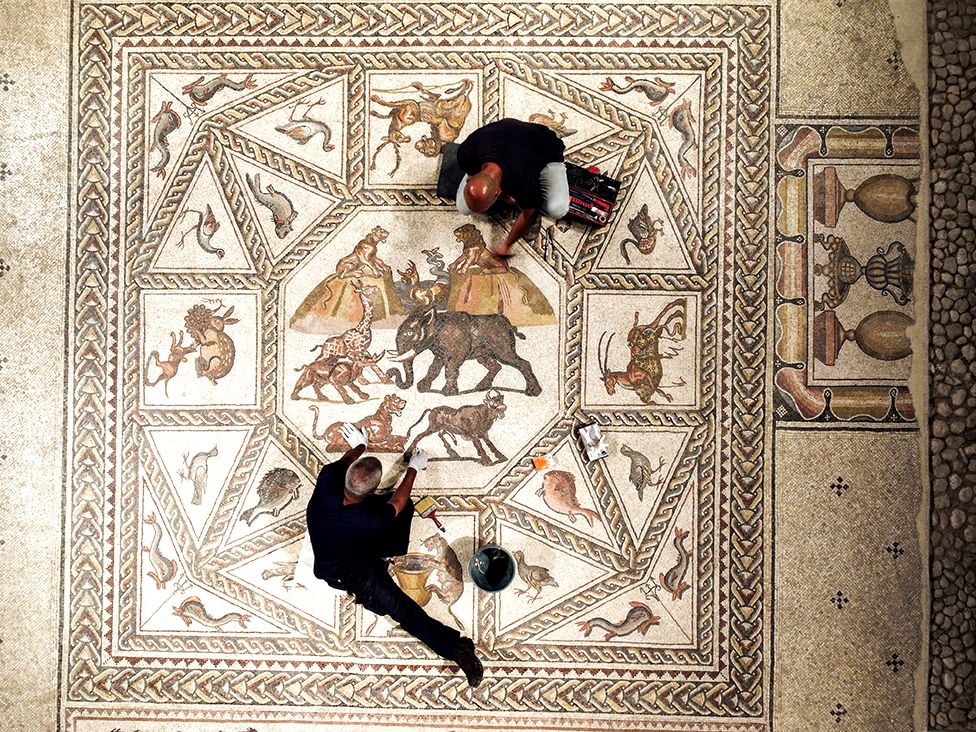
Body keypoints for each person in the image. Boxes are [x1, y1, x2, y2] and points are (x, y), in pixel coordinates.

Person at [306, 422, 484, 687]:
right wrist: (413, 467)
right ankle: (456, 649)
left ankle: (457, 650)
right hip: (351, 571)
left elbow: (346, 460)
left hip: (342, 546)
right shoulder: (371, 518)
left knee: (404, 511)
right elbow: (397, 502)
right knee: (401, 608)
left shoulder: (328, 477)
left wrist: (360, 445)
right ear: (372, 492)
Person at [455, 118, 570, 257]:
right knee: (463, 206)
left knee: (557, 209)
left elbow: (528, 216)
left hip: (544, 145)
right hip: (505, 131)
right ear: (470, 179)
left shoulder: (522, 179)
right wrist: (507, 197)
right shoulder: (466, 153)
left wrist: (506, 245)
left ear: (498, 193)